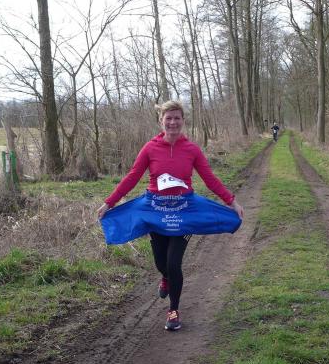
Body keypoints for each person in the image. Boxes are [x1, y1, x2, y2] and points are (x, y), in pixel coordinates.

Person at [98, 100, 244, 331]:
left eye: (177, 118)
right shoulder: (150, 148)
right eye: (169, 118)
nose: (173, 122)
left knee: (174, 263)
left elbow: (210, 179)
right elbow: (132, 177)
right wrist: (109, 202)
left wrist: (231, 201)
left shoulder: (192, 150)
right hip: (157, 212)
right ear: (161, 121)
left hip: (184, 213)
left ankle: (173, 311)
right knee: (161, 262)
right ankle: (165, 277)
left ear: (183, 121)